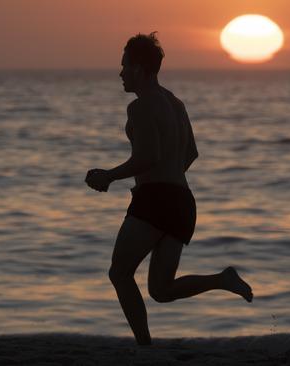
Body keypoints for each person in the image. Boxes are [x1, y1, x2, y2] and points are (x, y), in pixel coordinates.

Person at [84, 32, 253, 346]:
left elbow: (148, 157)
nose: (120, 73)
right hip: (182, 202)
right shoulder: (175, 103)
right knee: (160, 290)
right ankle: (221, 279)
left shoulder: (141, 106)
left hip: (157, 201)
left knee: (119, 273)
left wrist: (109, 176)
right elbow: (190, 154)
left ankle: (144, 348)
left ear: (140, 68)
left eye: (125, 66)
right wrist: (167, 178)